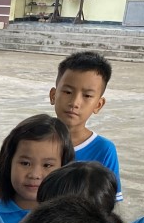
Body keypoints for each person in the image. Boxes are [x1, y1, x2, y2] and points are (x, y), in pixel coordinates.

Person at [49, 51, 123, 202]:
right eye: (68, 92)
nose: (75, 103)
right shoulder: (31, 139)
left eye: (87, 96)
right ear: (53, 95)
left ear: (98, 105)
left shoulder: (104, 150)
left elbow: (109, 204)